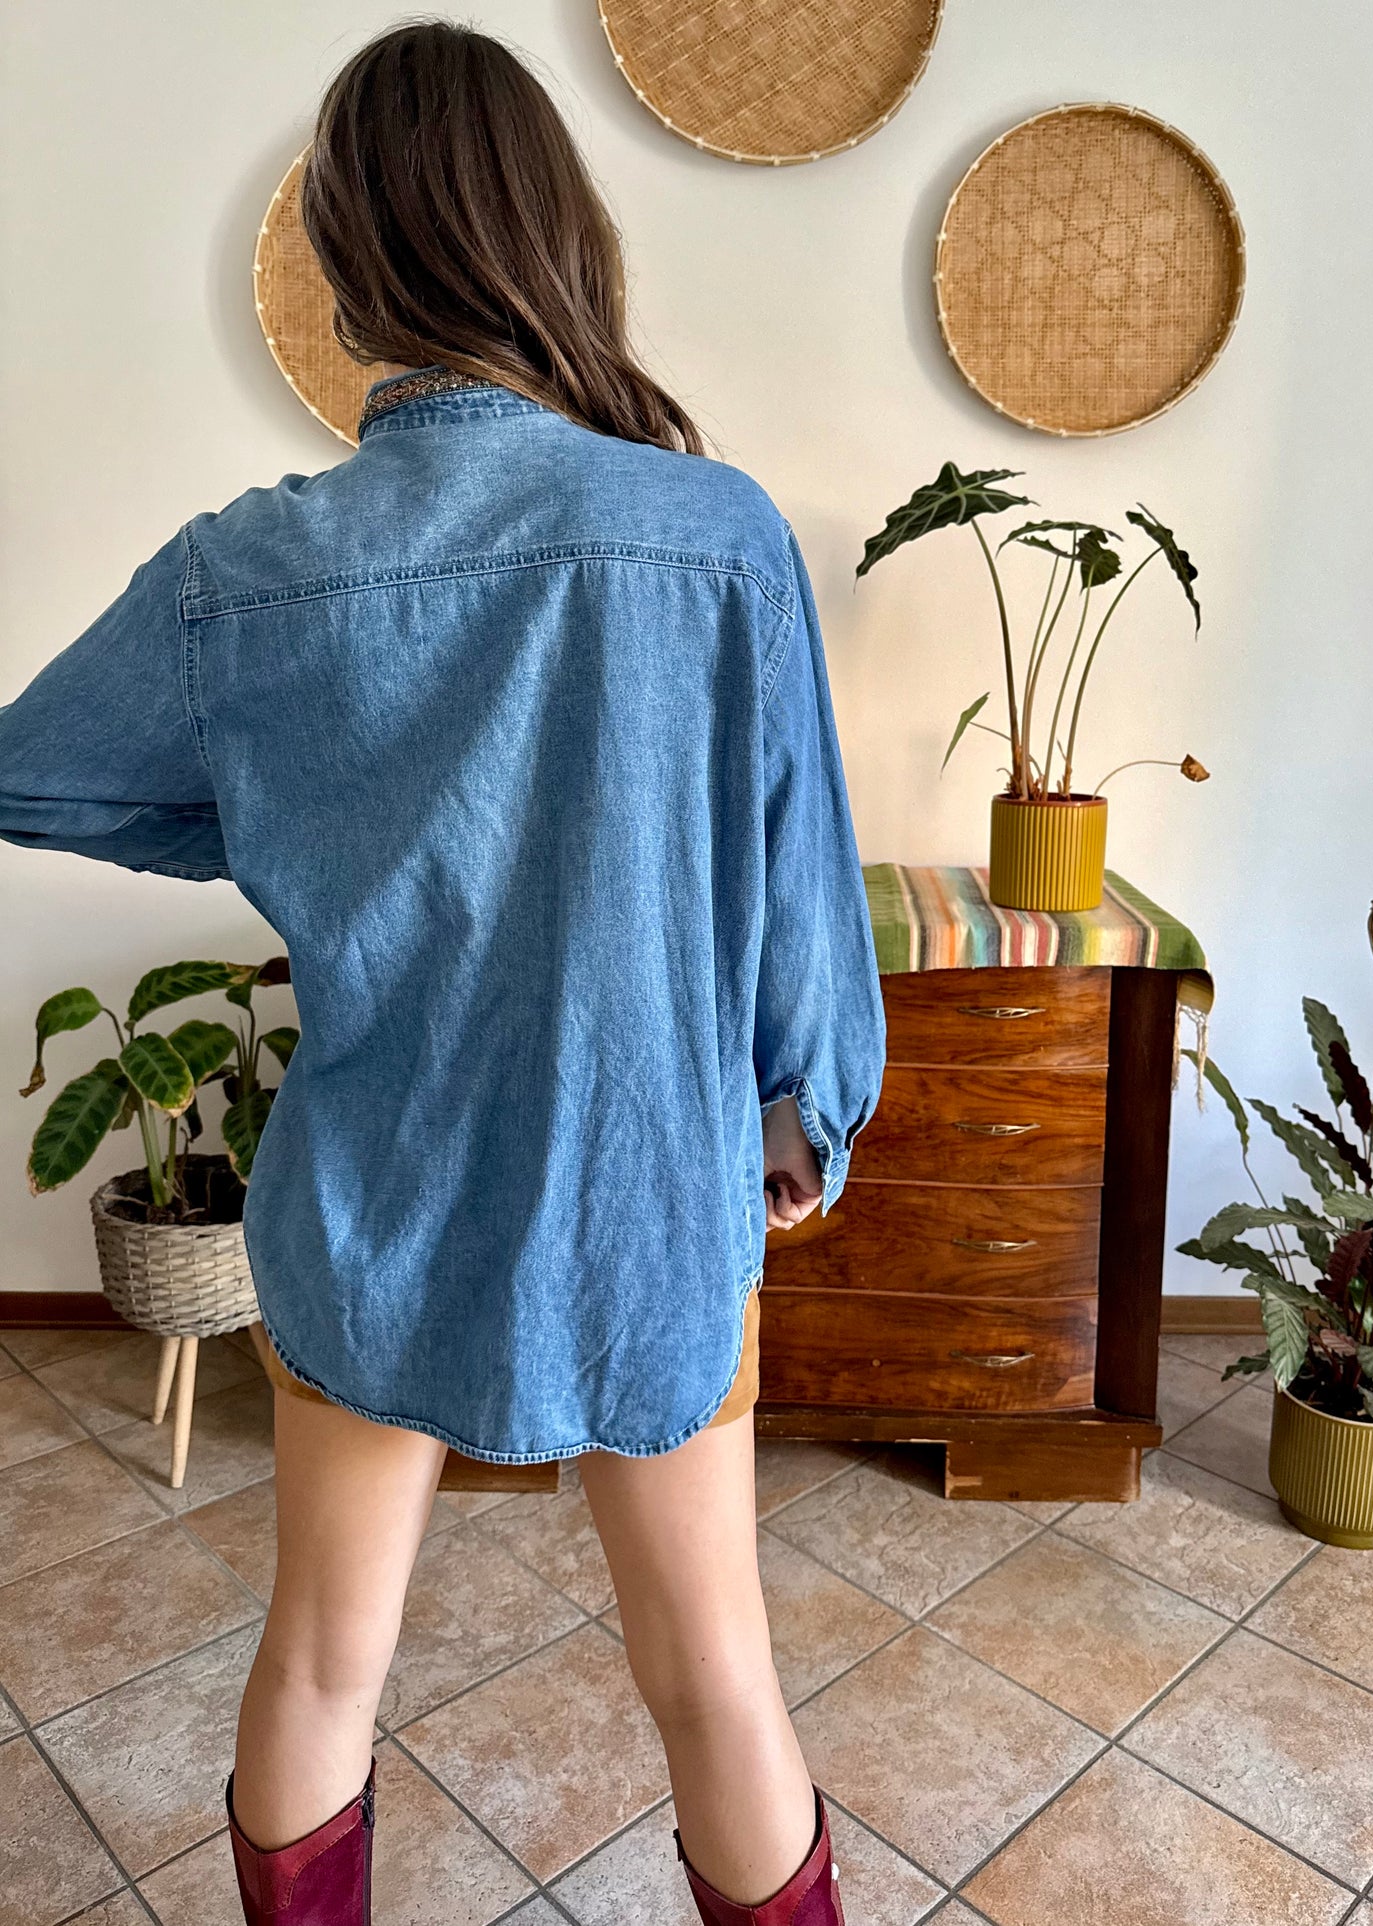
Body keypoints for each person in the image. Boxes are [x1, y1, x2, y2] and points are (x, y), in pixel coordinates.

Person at [0, 21, 885, 1925]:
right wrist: (807, 1096)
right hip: (650, 1194)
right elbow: (798, 880)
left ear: (343, 263)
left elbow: (32, 766)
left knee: (325, 1656)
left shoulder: (251, 571)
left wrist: (269, 825)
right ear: (557, 239)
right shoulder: (715, 536)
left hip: (374, 1198)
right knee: (713, 1672)